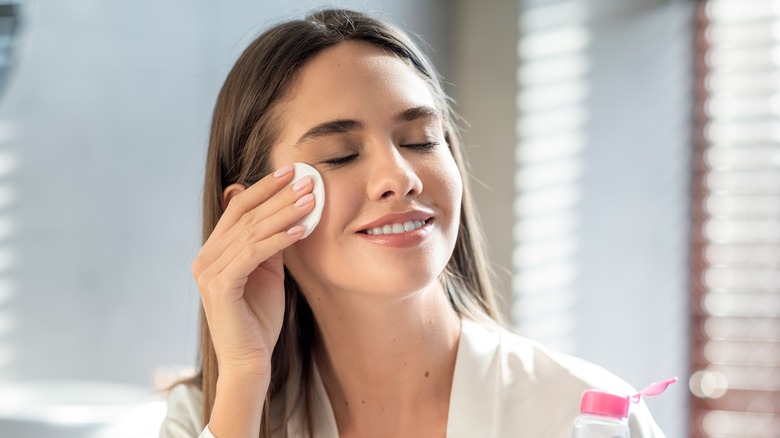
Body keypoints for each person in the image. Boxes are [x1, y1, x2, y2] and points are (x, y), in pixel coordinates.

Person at [160, 8, 665, 438]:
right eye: (340, 155)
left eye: (421, 140)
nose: (398, 178)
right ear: (251, 215)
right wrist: (245, 380)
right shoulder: (207, 417)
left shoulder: (587, 416)